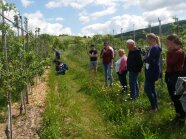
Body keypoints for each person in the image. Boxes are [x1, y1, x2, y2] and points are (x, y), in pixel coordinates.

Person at [165, 34, 185, 124]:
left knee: (177, 96)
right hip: (171, 75)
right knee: (173, 96)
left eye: (168, 42)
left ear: (173, 41)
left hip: (176, 76)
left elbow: (171, 62)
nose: (167, 44)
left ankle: (182, 117)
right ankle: (178, 114)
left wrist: (168, 52)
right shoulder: (173, 51)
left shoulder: (178, 52)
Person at [144, 33, 162, 112]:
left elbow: (149, 59)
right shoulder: (152, 47)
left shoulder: (155, 48)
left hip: (152, 71)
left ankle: (154, 107)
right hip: (151, 70)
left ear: (152, 39)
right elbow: (150, 59)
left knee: (147, 89)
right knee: (152, 88)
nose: (146, 40)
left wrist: (145, 58)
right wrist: (147, 58)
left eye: (147, 38)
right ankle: (155, 106)